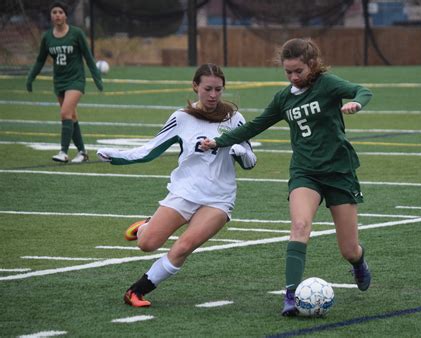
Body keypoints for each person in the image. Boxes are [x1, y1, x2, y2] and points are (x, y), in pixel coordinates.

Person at [201, 38, 373, 316]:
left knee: (349, 249)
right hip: (305, 172)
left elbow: (362, 90)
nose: (294, 77)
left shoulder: (327, 84)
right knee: (300, 226)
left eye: (299, 71)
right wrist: (219, 141)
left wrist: (356, 104)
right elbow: (255, 125)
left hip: (340, 172)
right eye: (288, 72)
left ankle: (358, 263)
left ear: (312, 65)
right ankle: (290, 296)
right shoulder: (283, 98)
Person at [96, 63, 257, 307]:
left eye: (219, 90)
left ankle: (136, 292)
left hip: (219, 199)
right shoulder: (181, 118)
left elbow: (251, 161)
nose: (213, 95)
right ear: (195, 87)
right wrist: (116, 156)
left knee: (183, 247)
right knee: (146, 245)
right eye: (208, 89)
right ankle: (145, 228)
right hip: (184, 193)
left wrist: (238, 151)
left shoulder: (234, 119)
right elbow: (150, 151)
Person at [26, 1, 103, 163]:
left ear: (66, 15)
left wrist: (97, 78)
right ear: (51, 16)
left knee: (64, 113)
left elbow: (88, 57)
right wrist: (30, 77)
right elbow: (40, 60)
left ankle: (63, 152)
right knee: (71, 116)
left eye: (60, 12)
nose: (57, 15)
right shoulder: (47, 37)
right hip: (59, 82)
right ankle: (82, 152)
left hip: (76, 80)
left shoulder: (76, 33)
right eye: (54, 12)